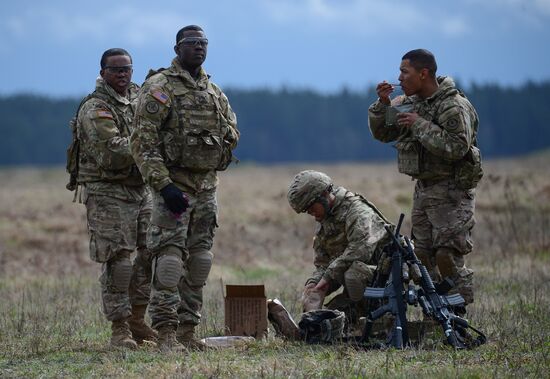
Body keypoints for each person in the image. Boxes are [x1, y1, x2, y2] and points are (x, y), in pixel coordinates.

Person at [130, 25, 239, 352]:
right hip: (173, 189)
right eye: (192, 44)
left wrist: (217, 150)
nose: (199, 48)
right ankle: (165, 334)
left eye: (204, 43)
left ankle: (188, 333)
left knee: (199, 261)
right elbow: (142, 141)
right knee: (169, 262)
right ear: (178, 48)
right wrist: (163, 185)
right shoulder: (160, 87)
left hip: (206, 187)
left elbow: (231, 130)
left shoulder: (213, 90)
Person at [368, 49, 482, 311]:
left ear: (424, 73)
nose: (399, 77)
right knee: (423, 257)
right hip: (424, 190)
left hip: (452, 191)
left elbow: (458, 147)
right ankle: (436, 316)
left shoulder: (452, 105)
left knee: (447, 256)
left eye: (404, 72)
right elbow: (383, 133)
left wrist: (419, 124)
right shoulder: (409, 102)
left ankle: (458, 318)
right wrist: (383, 104)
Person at [75, 48, 156, 349]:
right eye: (116, 70)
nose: (123, 74)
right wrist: (150, 145)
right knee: (119, 261)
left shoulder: (138, 98)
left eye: (127, 69)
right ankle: (119, 328)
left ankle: (137, 319)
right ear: (103, 71)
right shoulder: (95, 108)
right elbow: (112, 152)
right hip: (108, 191)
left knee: (151, 254)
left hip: (141, 189)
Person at [286, 170, 392, 321]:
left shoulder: (357, 211)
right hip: (358, 285)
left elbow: (360, 252)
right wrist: (314, 285)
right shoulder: (325, 220)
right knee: (329, 320)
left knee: (353, 274)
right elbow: (323, 264)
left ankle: (380, 317)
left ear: (323, 196)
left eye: (311, 207)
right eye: (306, 211)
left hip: (384, 278)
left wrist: (327, 278)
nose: (311, 213)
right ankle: (357, 316)